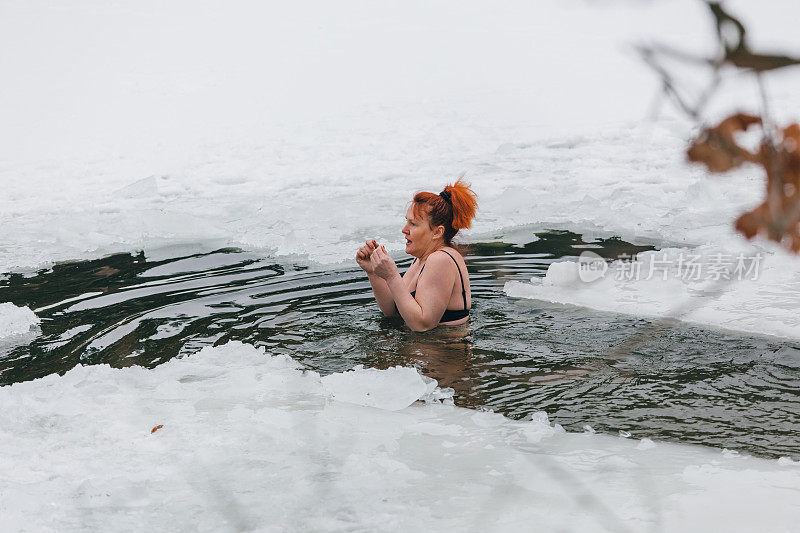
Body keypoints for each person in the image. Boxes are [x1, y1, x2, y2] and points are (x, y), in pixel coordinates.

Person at [356, 177, 478, 332]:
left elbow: (422, 325)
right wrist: (374, 272)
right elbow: (393, 312)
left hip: (446, 352)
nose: (404, 230)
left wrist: (393, 276)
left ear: (437, 232)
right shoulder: (420, 259)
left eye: (412, 224)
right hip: (422, 350)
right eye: (407, 222)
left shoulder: (441, 259)